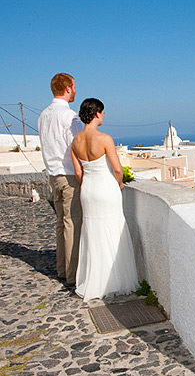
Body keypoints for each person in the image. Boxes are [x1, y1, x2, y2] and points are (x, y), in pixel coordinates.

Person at [71, 98, 138, 301]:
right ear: (98, 113)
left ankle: (94, 282)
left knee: (92, 233)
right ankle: (115, 281)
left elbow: (78, 173)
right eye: (103, 112)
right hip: (106, 187)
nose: (104, 116)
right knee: (113, 229)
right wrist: (117, 183)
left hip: (88, 190)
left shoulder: (75, 141)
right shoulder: (104, 138)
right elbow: (117, 169)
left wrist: (88, 185)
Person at [38, 73, 83, 287]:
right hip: (68, 175)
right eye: (74, 86)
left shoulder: (43, 115)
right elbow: (77, 147)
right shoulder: (69, 116)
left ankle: (62, 270)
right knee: (72, 223)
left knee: (61, 223)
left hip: (53, 175)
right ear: (67, 88)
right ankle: (73, 275)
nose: (75, 90)